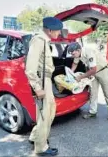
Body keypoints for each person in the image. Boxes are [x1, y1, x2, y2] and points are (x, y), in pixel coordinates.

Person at [26, 17, 62, 156]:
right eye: (57, 31)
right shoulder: (39, 41)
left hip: (45, 80)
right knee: (45, 115)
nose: (59, 34)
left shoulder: (44, 41)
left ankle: (35, 137)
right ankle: (41, 148)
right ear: (50, 30)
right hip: (41, 82)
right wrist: (37, 87)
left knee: (49, 112)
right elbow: (30, 68)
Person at [68, 42, 108, 120]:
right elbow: (75, 63)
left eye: (73, 54)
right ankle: (92, 112)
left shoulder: (88, 51)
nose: (72, 56)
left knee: (107, 92)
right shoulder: (77, 53)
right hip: (92, 73)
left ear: (78, 50)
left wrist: (81, 77)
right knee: (93, 93)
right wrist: (70, 73)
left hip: (102, 71)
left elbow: (93, 70)